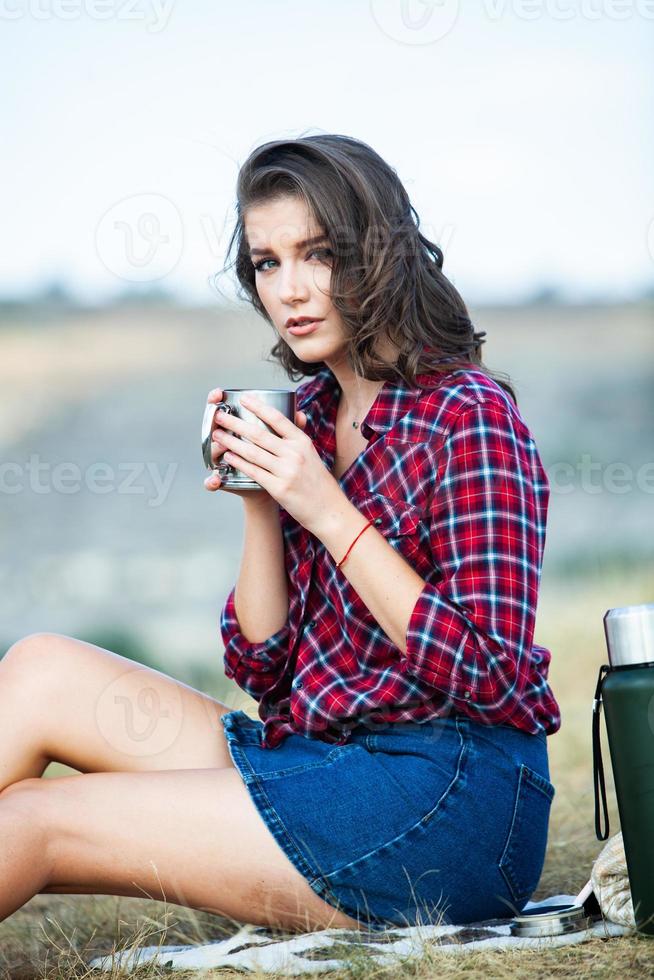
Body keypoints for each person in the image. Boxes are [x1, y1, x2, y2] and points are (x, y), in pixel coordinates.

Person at [0, 134, 559, 937]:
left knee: (36, 819)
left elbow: (491, 671)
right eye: (267, 263)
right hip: (324, 763)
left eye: (318, 254)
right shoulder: (312, 418)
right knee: (39, 668)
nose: (290, 290)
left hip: (452, 803)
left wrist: (327, 508)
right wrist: (263, 500)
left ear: (380, 257)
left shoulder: (468, 418)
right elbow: (265, 670)